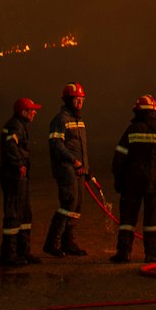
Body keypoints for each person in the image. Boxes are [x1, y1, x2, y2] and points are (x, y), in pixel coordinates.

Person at [108, 94, 156, 264]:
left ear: (137, 111)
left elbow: (119, 157)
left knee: (127, 219)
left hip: (131, 182)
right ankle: (152, 253)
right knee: (151, 220)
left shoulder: (131, 130)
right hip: (152, 182)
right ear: (154, 111)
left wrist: (118, 178)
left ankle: (124, 253)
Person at [41, 82, 91, 257]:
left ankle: (68, 242)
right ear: (68, 100)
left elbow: (81, 147)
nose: (80, 102)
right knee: (68, 203)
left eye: (81, 99)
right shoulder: (60, 120)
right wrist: (74, 161)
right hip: (66, 169)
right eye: (76, 99)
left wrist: (86, 168)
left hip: (78, 169)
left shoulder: (79, 120)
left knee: (77, 206)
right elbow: (56, 144)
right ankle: (52, 243)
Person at [0, 96, 42, 268]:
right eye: (32, 110)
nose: (34, 113)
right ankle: (9, 256)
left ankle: (23, 252)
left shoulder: (18, 125)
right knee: (14, 213)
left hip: (17, 174)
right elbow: (10, 145)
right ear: (23, 112)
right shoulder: (16, 126)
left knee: (24, 214)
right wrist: (18, 164)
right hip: (13, 175)